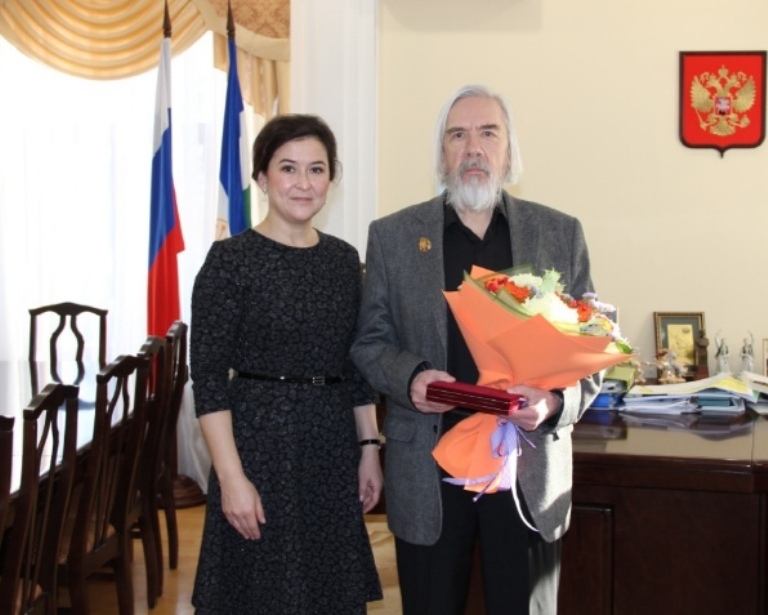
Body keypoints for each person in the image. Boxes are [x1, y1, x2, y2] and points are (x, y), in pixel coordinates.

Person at [351, 84, 601, 615]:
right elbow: (370, 344)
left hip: (528, 466)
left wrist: (555, 403)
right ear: (441, 153)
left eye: (489, 133)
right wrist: (411, 378)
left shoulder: (560, 234)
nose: (473, 148)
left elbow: (592, 352)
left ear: (509, 150)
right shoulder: (393, 237)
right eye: (457, 135)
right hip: (430, 465)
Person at [190, 114, 383, 614]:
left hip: (330, 449)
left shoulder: (344, 260)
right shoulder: (229, 262)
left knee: (328, 595)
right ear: (262, 177)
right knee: (260, 595)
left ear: (331, 179)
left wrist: (368, 449)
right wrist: (231, 478)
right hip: (258, 450)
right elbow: (207, 381)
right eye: (288, 168)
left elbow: (355, 365)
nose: (303, 183)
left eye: (316, 169)